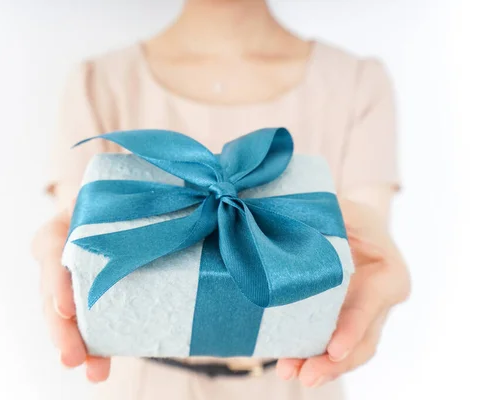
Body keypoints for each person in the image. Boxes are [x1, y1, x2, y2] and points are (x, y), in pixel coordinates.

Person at [31, 0, 410, 399]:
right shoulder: (98, 82)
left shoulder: (356, 83)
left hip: (296, 384)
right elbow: (82, 236)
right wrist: (59, 256)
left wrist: (379, 260)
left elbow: (357, 252)